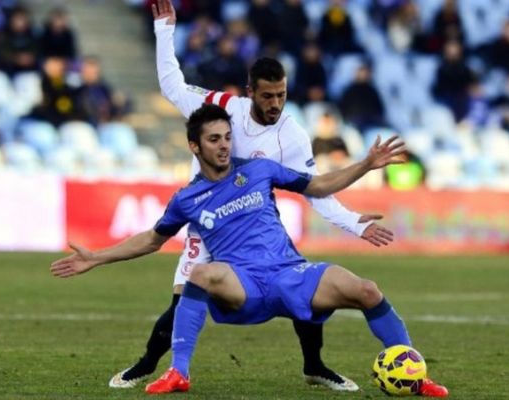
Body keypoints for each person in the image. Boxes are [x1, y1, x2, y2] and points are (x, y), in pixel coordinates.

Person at [51, 104, 448, 398]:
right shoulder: (186, 198)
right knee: (201, 274)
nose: (223, 146)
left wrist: (365, 165)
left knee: (367, 289)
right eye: (213, 139)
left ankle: (413, 376)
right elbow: (151, 239)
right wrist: (97, 257)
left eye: (226, 137)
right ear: (195, 146)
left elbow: (319, 185)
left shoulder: (259, 170)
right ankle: (178, 374)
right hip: (244, 282)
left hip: (290, 272)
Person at [108, 0, 397, 392]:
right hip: (206, 220)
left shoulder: (291, 135)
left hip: (255, 220)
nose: (275, 103)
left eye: (281, 95)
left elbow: (312, 188)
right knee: (182, 301)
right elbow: (172, 87)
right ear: (250, 93)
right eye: (267, 96)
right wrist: (165, 30)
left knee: (301, 285)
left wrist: (351, 222)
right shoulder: (223, 108)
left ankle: (314, 366)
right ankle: (146, 364)